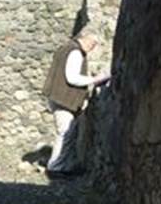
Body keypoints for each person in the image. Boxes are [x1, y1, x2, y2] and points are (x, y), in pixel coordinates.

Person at [42, 32, 110, 177]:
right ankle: (55, 167)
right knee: (65, 133)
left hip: (57, 96)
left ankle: (64, 166)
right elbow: (72, 78)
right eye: (92, 44)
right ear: (85, 39)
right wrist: (95, 79)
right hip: (63, 98)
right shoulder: (75, 52)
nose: (92, 48)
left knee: (67, 132)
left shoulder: (66, 47)